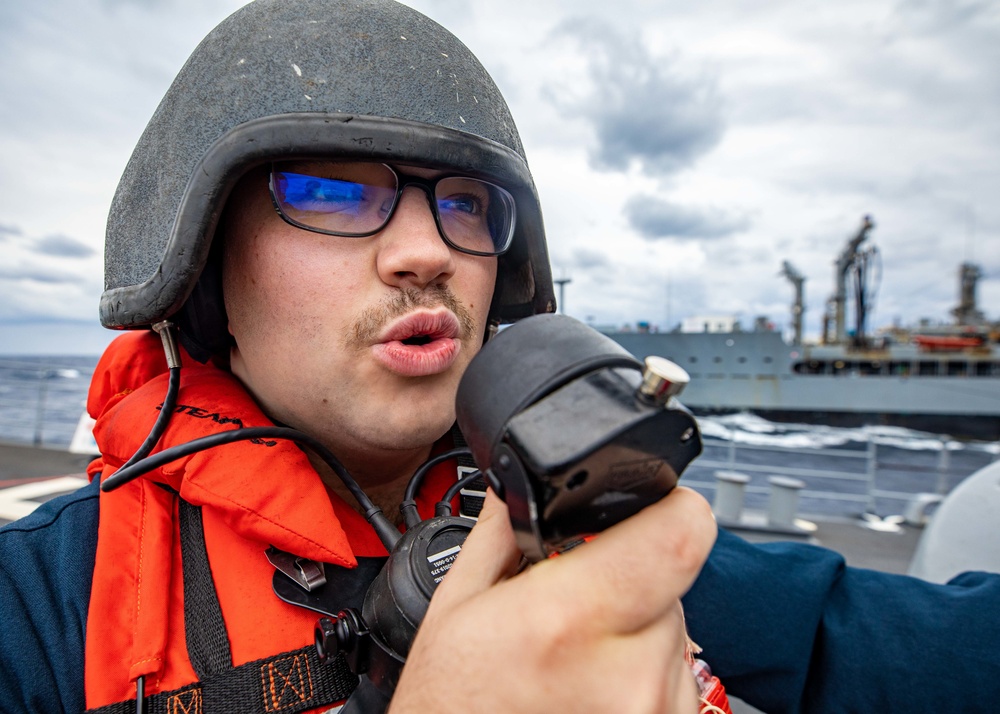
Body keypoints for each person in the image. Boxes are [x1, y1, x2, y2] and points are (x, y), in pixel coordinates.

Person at [2, 1, 1000, 713]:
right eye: (333, 194)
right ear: (205, 273)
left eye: (465, 204)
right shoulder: (42, 608)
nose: (428, 250)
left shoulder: (615, 554)